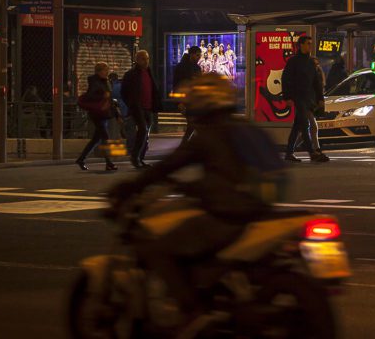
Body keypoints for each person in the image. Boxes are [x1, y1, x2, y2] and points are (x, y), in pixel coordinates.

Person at [107, 74, 284, 307]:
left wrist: (132, 186)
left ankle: (190, 309)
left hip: (226, 213)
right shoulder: (242, 126)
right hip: (258, 210)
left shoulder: (211, 134)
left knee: (159, 248)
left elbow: (170, 164)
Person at [281, 35, 328, 163]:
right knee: (304, 124)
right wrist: (288, 97)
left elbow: (316, 82)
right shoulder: (293, 61)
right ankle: (312, 152)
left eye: (310, 44)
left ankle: (289, 152)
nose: (310, 46)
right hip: (298, 97)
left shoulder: (310, 62)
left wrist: (320, 98)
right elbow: (285, 79)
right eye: (307, 43)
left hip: (308, 99)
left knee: (298, 125)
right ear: (300, 45)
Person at [121, 50, 161, 169]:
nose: (146, 61)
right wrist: (132, 104)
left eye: (147, 59)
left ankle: (140, 158)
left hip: (148, 108)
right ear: (137, 60)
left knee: (146, 134)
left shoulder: (149, 72)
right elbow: (124, 92)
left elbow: (153, 89)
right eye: (143, 59)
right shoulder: (131, 74)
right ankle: (135, 157)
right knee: (143, 131)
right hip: (138, 108)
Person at [76, 62, 118, 172]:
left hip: (104, 113)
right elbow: (91, 96)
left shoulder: (106, 81)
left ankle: (81, 159)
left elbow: (109, 98)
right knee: (105, 137)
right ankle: (109, 163)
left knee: (96, 139)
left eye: (107, 70)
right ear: (99, 71)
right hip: (97, 114)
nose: (106, 72)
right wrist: (102, 95)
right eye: (104, 70)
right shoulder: (94, 81)